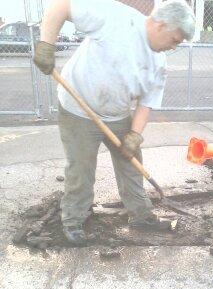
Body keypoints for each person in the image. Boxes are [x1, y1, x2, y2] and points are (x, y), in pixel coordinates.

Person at [34, 0, 195, 246]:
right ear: (162, 25)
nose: (173, 47)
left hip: (117, 114)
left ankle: (141, 215)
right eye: (174, 40)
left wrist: (134, 135)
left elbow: (146, 103)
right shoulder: (115, 17)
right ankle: (74, 219)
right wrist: (46, 44)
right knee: (81, 168)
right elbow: (61, 5)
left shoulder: (159, 62)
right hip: (78, 108)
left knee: (131, 162)